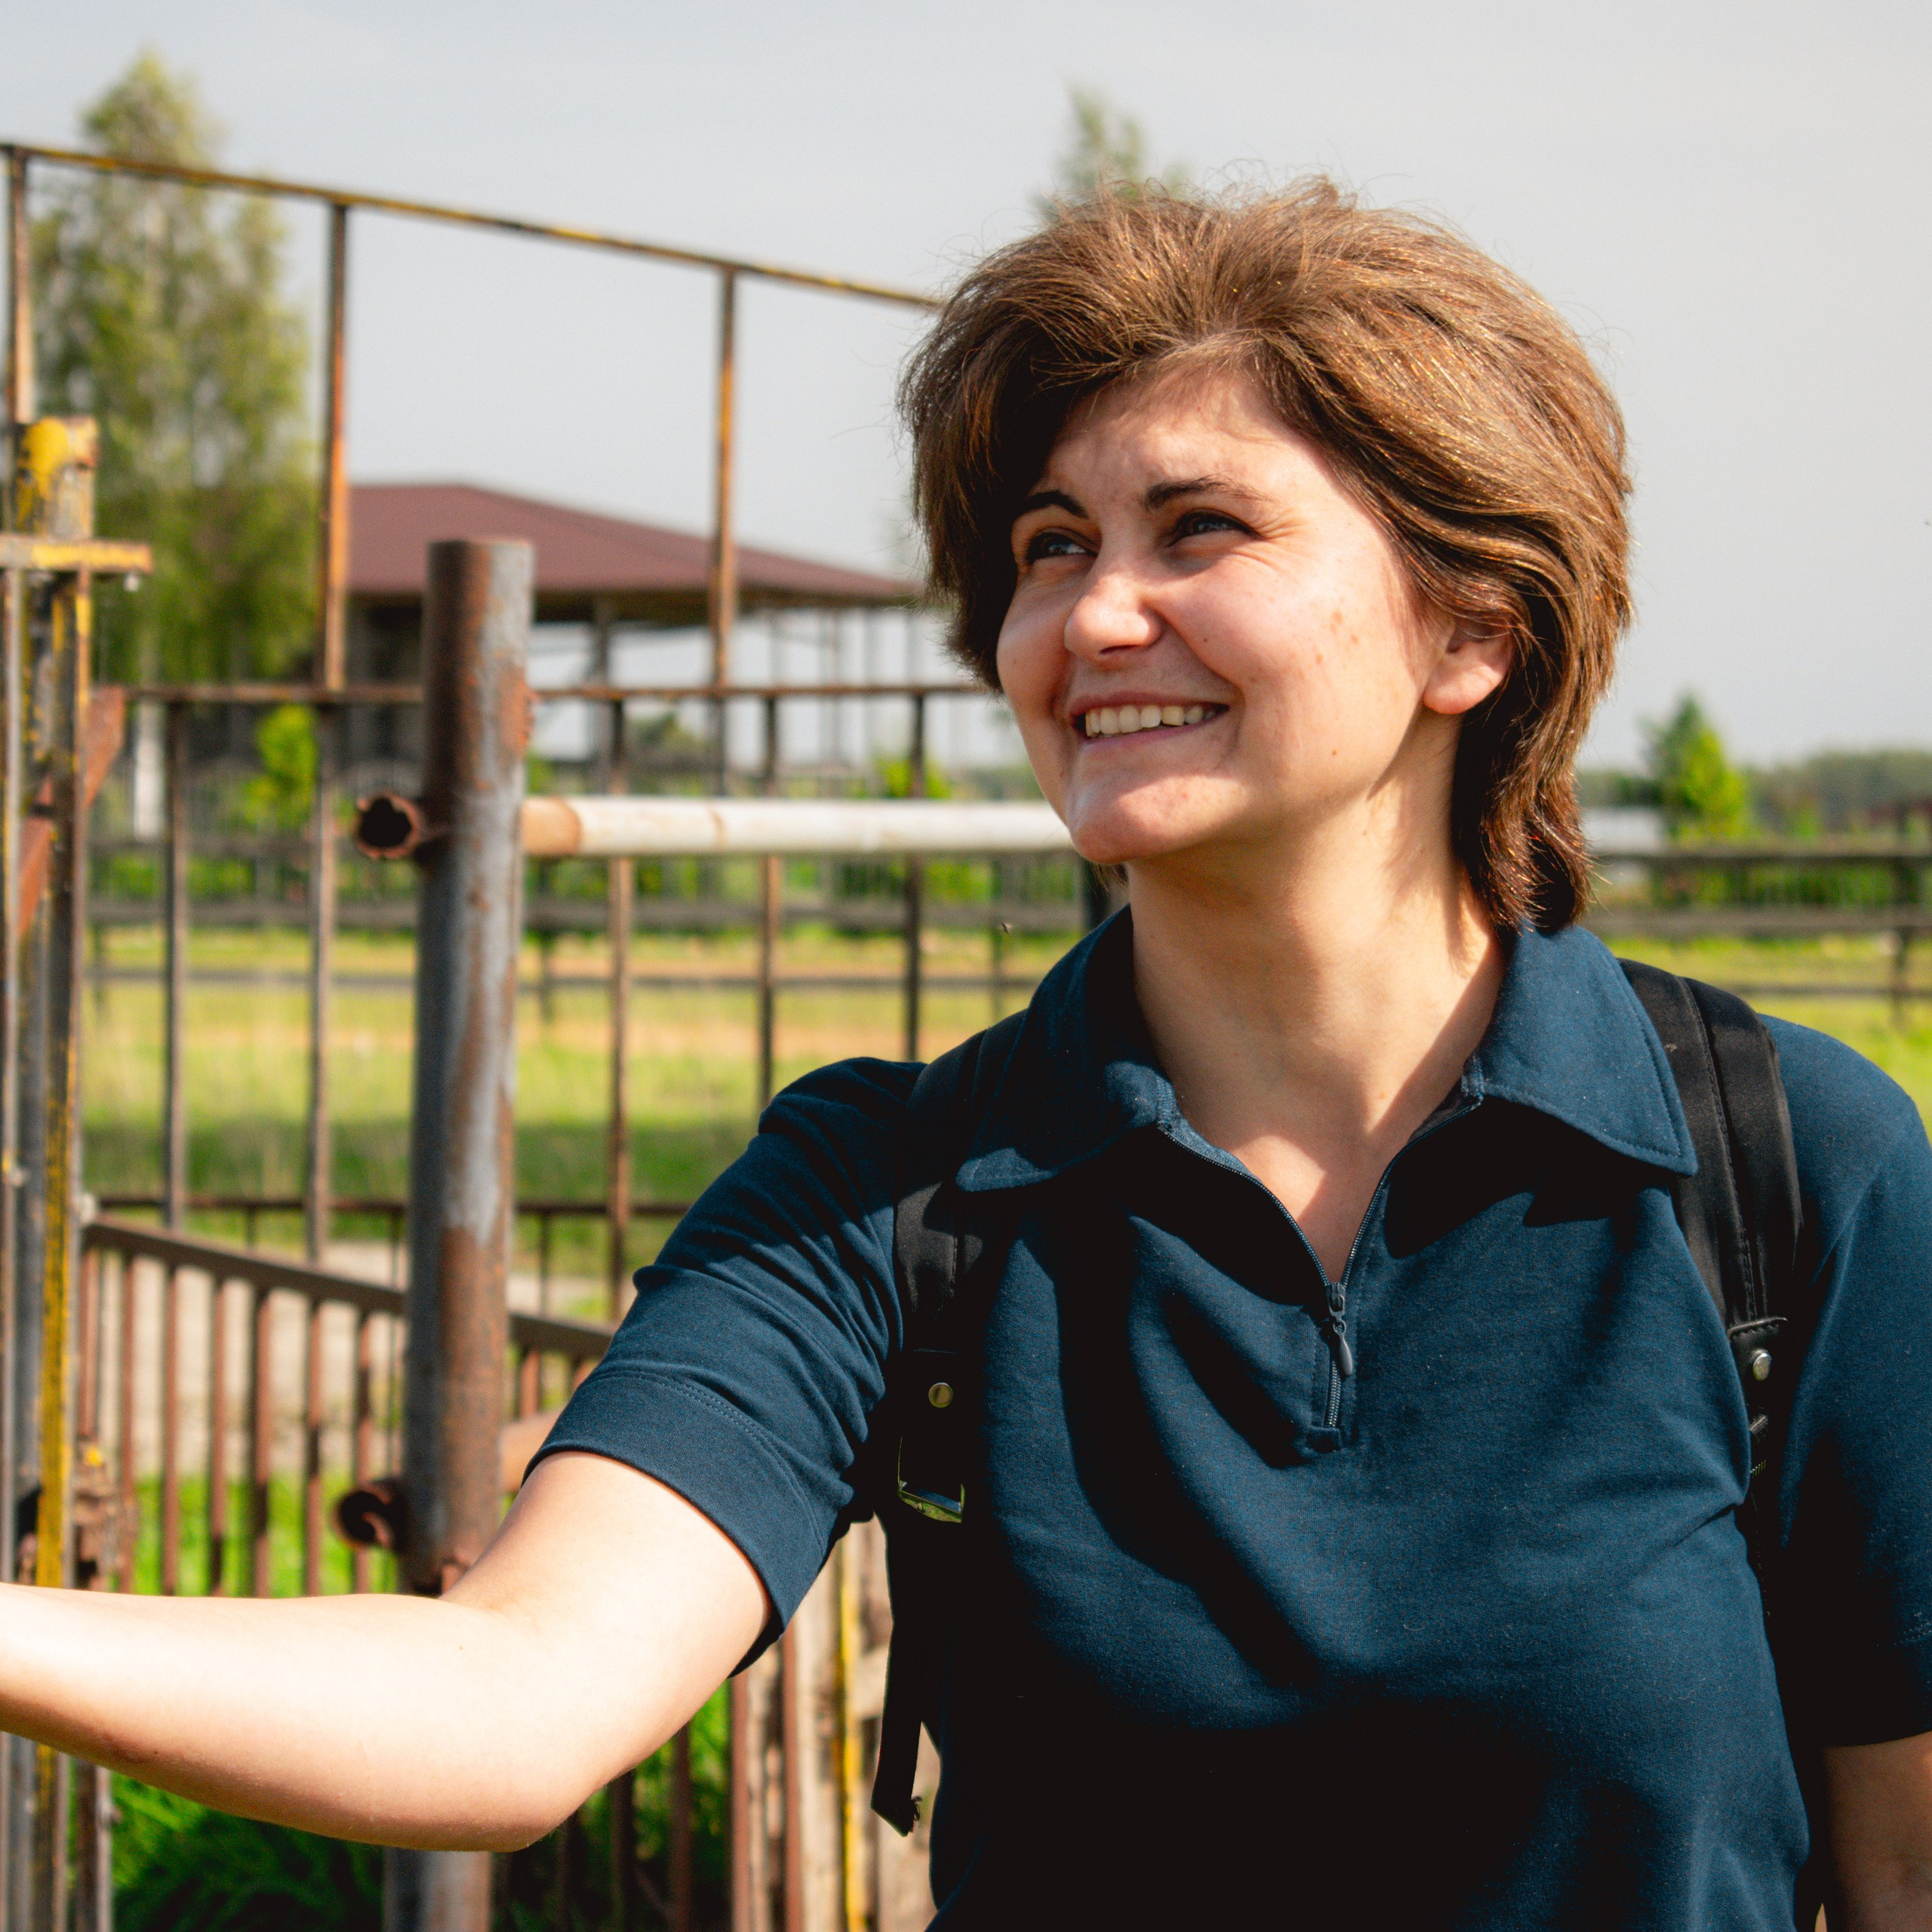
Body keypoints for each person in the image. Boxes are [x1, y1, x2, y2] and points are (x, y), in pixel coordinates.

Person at [5, 182, 1931, 1930]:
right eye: (1046, 543)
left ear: (1471, 628)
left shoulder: (1780, 1172)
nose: (1090, 615)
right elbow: (514, 1697)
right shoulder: (893, 1193)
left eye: (1202, 528)